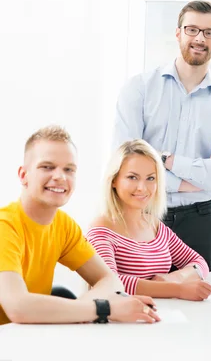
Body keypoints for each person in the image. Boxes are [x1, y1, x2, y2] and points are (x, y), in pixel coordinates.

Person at [112, 0, 211, 270]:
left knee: (197, 304)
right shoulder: (139, 89)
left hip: (201, 223)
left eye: (209, 32)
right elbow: (124, 163)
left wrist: (167, 161)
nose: (200, 38)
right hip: (143, 216)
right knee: (142, 302)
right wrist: (199, 179)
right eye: (192, 29)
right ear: (178, 33)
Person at [0, 126, 160, 325]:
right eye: (47, 167)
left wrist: (82, 313)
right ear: (23, 175)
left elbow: (110, 280)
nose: (60, 176)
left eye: (69, 169)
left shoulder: (63, 225)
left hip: (29, 338)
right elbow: (18, 308)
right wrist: (103, 309)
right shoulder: (5, 226)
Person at [88, 140, 211, 301]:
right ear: (114, 180)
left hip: (159, 317)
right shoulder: (100, 230)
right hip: (121, 323)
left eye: (150, 178)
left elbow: (199, 262)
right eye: (132, 177)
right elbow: (111, 282)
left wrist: (174, 277)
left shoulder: (155, 226)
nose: (142, 187)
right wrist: (177, 289)